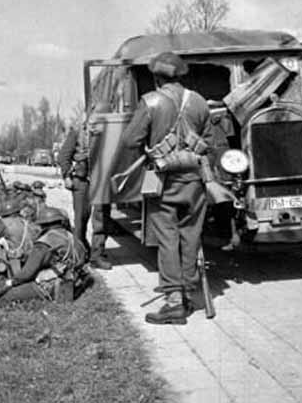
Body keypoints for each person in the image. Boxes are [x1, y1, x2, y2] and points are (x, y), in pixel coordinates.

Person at [120, 51, 213, 325]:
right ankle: (187, 294)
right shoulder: (199, 102)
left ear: (156, 77)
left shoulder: (151, 101)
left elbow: (129, 141)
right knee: (191, 237)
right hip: (195, 181)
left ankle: (173, 303)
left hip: (163, 181)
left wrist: (151, 145)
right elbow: (208, 141)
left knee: (167, 240)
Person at [0, 207, 88, 305]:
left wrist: (10, 283)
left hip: (53, 286)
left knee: (7, 297)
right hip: (76, 283)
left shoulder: (44, 243)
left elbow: (27, 274)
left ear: (43, 225)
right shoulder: (72, 237)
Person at [58, 111, 112, 270]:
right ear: (88, 120)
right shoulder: (77, 133)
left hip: (101, 181)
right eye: (94, 120)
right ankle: (79, 253)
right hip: (81, 181)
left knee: (101, 219)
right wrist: (67, 176)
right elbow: (63, 156)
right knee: (81, 219)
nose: (96, 125)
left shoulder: (109, 134)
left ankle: (97, 255)